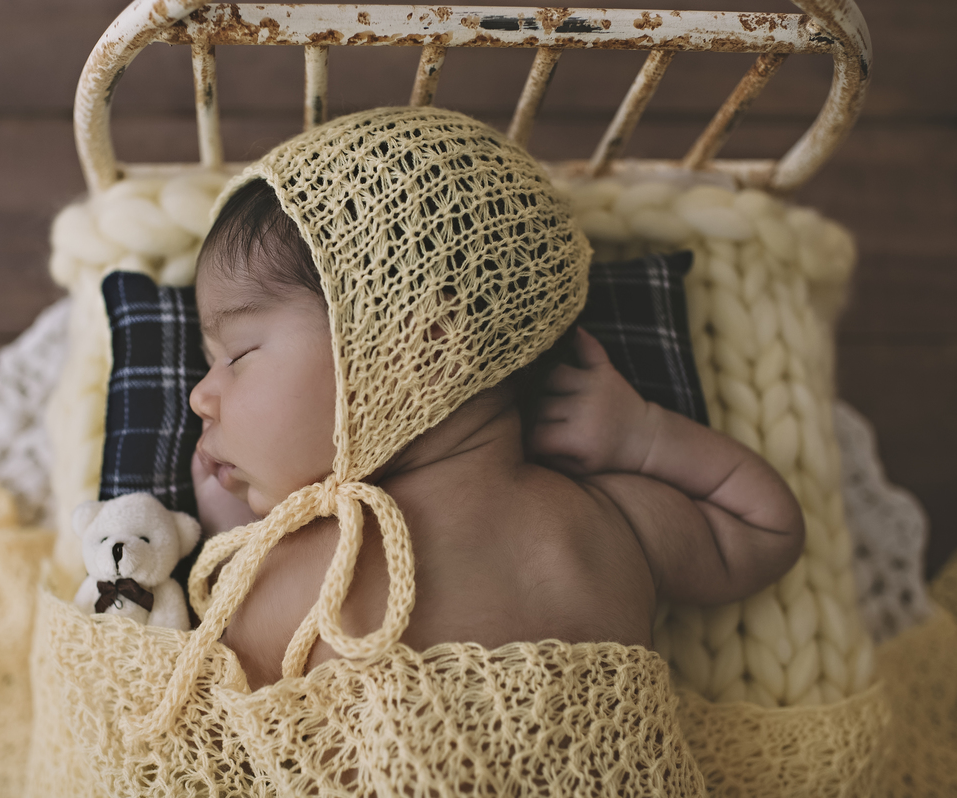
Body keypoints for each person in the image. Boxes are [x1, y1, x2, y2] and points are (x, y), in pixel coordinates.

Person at [186, 109, 804, 690]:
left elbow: (217, 716)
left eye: (237, 354)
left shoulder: (295, 577)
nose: (197, 395)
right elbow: (763, 527)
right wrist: (644, 438)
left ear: (420, 349)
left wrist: (236, 543)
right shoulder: (608, 521)